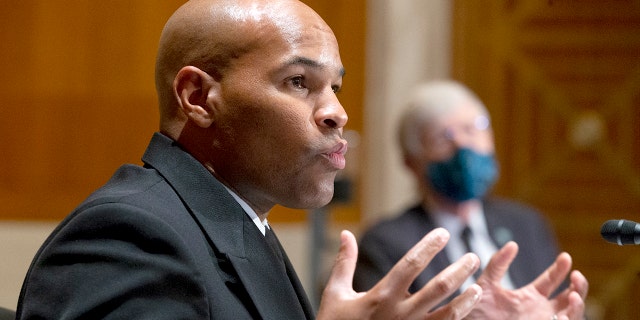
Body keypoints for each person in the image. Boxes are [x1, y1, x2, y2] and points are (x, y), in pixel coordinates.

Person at [15, 1, 586, 319]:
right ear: (198, 98)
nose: (336, 113)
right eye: (298, 82)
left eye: (336, 87)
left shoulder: (238, 224)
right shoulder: (128, 234)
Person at [354, 80, 588, 318]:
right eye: (442, 138)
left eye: (472, 128)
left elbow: (558, 304)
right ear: (411, 163)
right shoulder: (387, 244)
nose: (463, 145)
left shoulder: (527, 224)